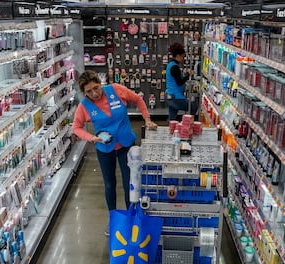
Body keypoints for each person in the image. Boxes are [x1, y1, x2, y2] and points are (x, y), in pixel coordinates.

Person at [72, 70, 158, 235]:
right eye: (88, 91)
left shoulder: (116, 89)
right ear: (84, 92)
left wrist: (147, 119)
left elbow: (138, 99)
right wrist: (90, 137)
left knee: (129, 184)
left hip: (126, 145)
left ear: (100, 82)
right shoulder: (84, 106)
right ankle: (113, 220)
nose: (94, 94)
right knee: (110, 185)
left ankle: (131, 217)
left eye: (96, 88)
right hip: (105, 149)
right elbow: (76, 127)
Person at [165, 42, 196, 121]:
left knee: (172, 118)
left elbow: (176, 78)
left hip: (170, 95)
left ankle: (171, 130)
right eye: (182, 57)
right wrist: (189, 75)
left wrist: (185, 74)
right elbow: (179, 82)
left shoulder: (171, 64)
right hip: (175, 97)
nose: (183, 59)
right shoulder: (175, 67)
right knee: (193, 107)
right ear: (178, 56)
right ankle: (188, 126)